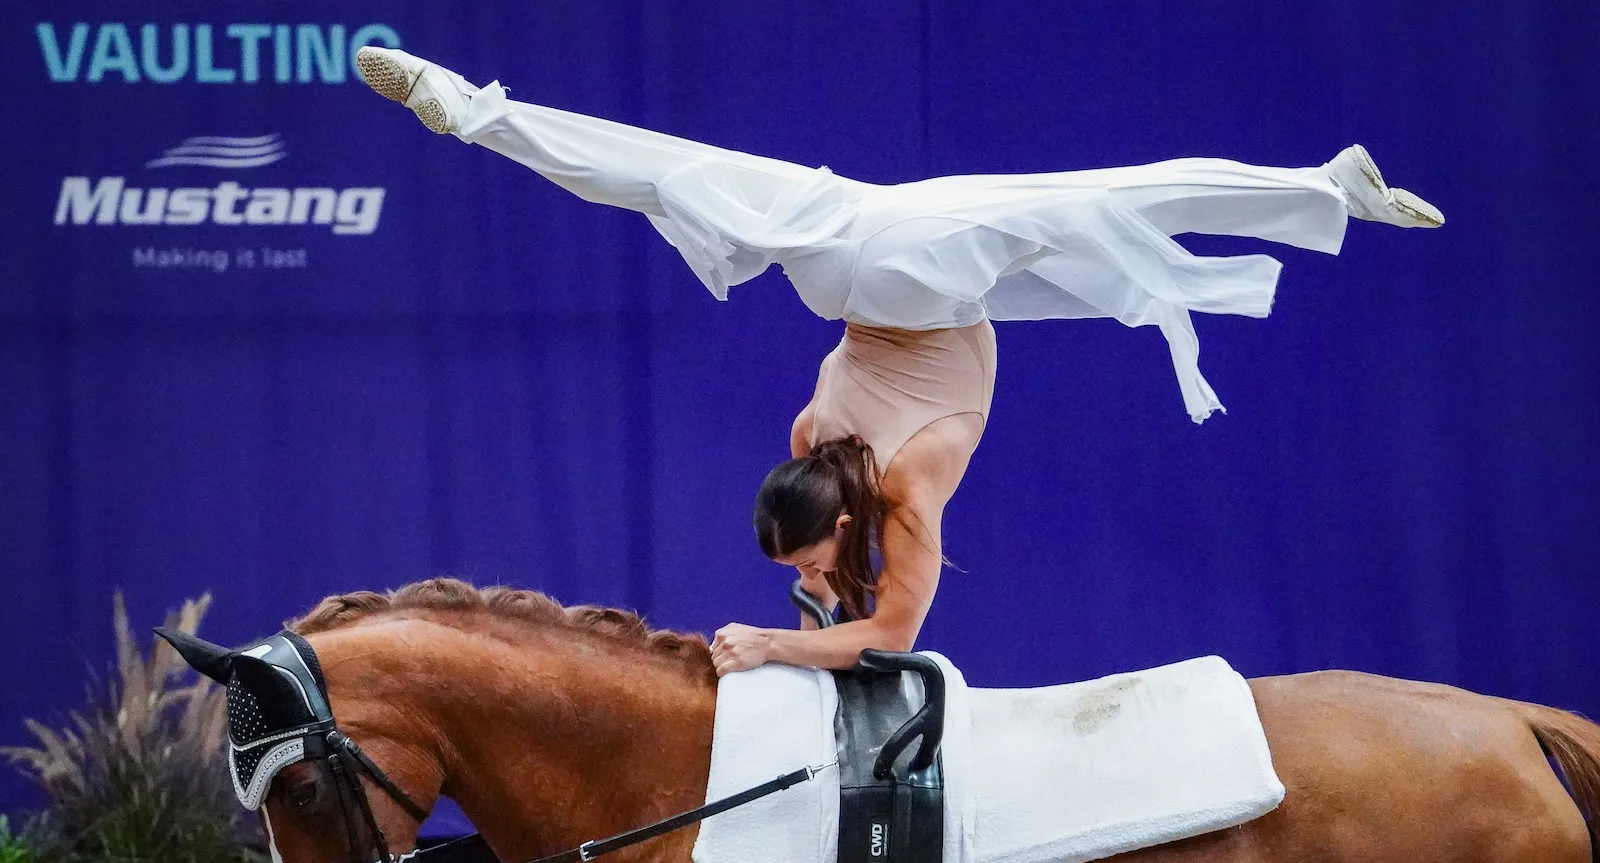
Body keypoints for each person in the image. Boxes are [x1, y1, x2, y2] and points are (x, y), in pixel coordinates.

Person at [353, 46, 1442, 677]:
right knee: (672, 173)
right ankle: (473, 110)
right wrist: (793, 631)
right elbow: (883, 629)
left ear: (835, 522)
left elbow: (880, 627)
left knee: (1100, 198)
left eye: (802, 564)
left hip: (906, 269)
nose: (805, 580)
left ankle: (1325, 188)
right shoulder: (840, 457)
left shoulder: (898, 489)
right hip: (848, 253)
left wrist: (784, 637)